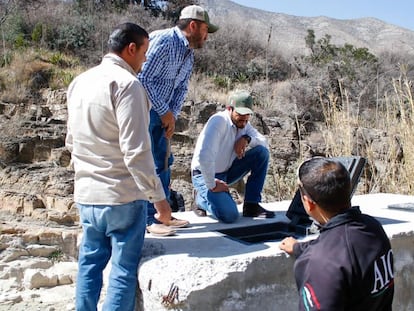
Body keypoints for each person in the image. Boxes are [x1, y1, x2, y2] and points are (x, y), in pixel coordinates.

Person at [66, 23, 172, 311]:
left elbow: (71, 141)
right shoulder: (128, 85)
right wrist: (160, 201)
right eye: (144, 53)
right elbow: (136, 152)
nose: (145, 61)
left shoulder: (79, 82)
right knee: (123, 271)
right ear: (131, 48)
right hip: (122, 197)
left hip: (87, 196)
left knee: (89, 265)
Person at [138, 5, 219, 235]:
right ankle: (148, 219)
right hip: (145, 111)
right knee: (148, 163)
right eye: (205, 30)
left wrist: (172, 115)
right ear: (192, 26)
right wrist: (164, 112)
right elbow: (143, 78)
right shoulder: (163, 41)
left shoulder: (188, 53)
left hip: (163, 114)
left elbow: (181, 87)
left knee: (163, 163)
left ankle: (162, 215)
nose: (206, 36)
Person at [279, 157, 394, 311]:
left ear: (308, 202)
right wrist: (299, 248)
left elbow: (333, 253)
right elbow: (339, 248)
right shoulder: (372, 227)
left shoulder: (319, 264)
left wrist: (310, 255)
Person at [191, 90, 275, 223]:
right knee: (230, 215)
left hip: (227, 173)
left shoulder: (243, 124)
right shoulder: (218, 122)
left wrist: (247, 139)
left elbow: (264, 144)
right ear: (229, 109)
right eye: (240, 113)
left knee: (261, 153)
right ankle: (201, 199)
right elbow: (204, 156)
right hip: (204, 175)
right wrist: (211, 184)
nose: (244, 118)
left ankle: (251, 205)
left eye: (247, 114)